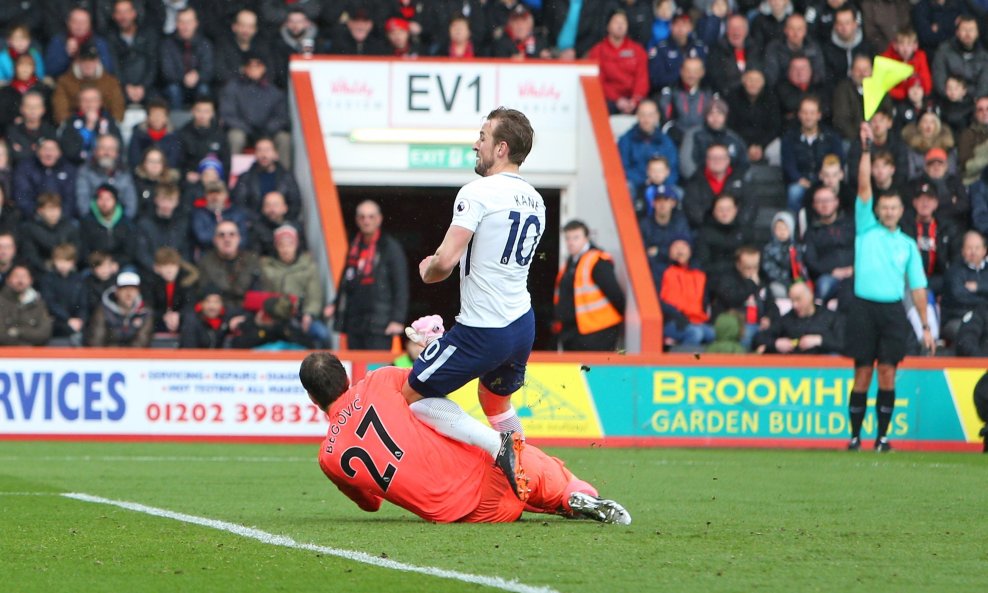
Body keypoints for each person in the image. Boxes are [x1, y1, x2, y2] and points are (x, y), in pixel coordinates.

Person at [299, 351, 631, 524]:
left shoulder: (328, 458)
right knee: (542, 473)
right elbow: (430, 385)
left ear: (313, 399)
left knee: (521, 497)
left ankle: (562, 501)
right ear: (345, 376)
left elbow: (370, 505)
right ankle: (574, 494)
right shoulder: (380, 380)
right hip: (488, 471)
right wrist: (431, 346)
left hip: (466, 516)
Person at [398, 108, 544, 496]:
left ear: (500, 148)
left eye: (482, 136)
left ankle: (498, 450)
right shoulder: (535, 200)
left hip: (484, 329)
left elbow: (445, 264)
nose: (474, 144)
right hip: (522, 324)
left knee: (409, 397)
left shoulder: (477, 192)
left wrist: (427, 268)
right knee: (494, 400)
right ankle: (525, 474)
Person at [846, 122, 935, 453]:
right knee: (862, 375)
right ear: (878, 209)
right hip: (863, 308)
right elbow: (864, 184)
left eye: (894, 208)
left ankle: (882, 439)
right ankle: (855, 437)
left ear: (901, 211)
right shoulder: (865, 226)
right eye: (884, 207)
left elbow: (918, 288)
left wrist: (925, 326)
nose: (888, 211)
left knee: (886, 374)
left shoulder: (908, 245)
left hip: (891, 311)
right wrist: (866, 149)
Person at [325, 199, 408, 350]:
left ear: (379, 219)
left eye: (371, 217)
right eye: (362, 217)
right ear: (357, 220)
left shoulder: (390, 247)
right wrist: (335, 305)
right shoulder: (354, 246)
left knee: (376, 370)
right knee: (357, 371)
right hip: (355, 321)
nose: (366, 221)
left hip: (379, 323)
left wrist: (397, 319)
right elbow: (346, 281)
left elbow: (401, 286)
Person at [553, 220, 625, 351]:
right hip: (575, 332)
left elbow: (615, 294)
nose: (571, 242)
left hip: (597, 331)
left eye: (576, 237)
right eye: (568, 238)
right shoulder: (571, 263)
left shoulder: (596, 260)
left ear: (586, 238)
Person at [219, 54, 291, 169]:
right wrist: (248, 129)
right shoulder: (232, 88)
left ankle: (284, 178)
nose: (254, 68)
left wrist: (267, 131)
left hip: (268, 133)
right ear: (244, 68)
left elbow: (282, 117)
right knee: (235, 137)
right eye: (250, 65)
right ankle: (231, 176)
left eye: (258, 65)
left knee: (284, 138)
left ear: (264, 68)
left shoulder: (275, 91)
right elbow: (228, 115)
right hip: (244, 133)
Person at [260, 225, 327, 347]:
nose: (286, 249)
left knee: (322, 334)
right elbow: (264, 294)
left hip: (299, 314)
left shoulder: (308, 266)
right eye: (282, 245)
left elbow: (314, 296)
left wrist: (309, 314)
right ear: (276, 247)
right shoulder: (266, 267)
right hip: (274, 314)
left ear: (296, 245)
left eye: (289, 244)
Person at [781, 96, 844, 213]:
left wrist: (824, 179)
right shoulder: (789, 138)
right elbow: (788, 165)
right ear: (799, 114)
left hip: (825, 180)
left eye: (812, 113)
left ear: (819, 115)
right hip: (801, 182)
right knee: (795, 192)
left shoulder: (831, 137)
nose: (808, 117)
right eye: (805, 113)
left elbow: (838, 160)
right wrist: (799, 179)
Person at [587, 9, 649, 115]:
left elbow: (642, 79)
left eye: (623, 22)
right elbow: (598, 81)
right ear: (608, 26)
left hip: (633, 101)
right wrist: (617, 100)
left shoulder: (637, 50)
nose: (620, 26)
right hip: (608, 100)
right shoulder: (597, 51)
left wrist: (635, 100)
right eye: (616, 22)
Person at [50, 43, 125, 125]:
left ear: (97, 61)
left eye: (92, 60)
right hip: (74, 128)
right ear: (78, 61)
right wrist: (73, 127)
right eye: (84, 60)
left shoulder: (110, 82)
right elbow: (60, 112)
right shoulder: (64, 82)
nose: (88, 64)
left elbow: (117, 110)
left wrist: (108, 126)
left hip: (104, 126)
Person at [617, 99, 679, 198]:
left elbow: (673, 168)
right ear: (637, 116)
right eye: (642, 115)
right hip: (636, 186)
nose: (646, 120)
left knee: (678, 193)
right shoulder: (626, 140)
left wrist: (661, 181)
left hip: (662, 185)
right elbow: (622, 167)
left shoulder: (666, 141)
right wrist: (644, 181)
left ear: (657, 117)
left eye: (650, 115)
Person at [659, 237, 714, 347]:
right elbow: (659, 300)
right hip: (672, 320)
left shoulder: (700, 274)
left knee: (713, 334)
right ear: (669, 252)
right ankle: (684, 363)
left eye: (683, 247)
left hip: (697, 320)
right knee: (695, 333)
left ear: (690, 251)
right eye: (676, 247)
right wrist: (676, 316)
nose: (680, 251)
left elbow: (705, 302)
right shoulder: (663, 271)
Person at [761, 281, 843, 354]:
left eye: (798, 299)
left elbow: (842, 343)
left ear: (810, 296)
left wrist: (819, 340)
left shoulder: (830, 317)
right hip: (795, 365)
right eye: (792, 301)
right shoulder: (787, 319)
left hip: (825, 366)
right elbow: (760, 338)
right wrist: (776, 343)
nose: (795, 305)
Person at [196, 220, 261, 312]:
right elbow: (205, 296)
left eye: (232, 234)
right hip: (219, 314)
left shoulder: (252, 260)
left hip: (248, 313)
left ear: (239, 238)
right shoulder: (205, 263)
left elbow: (257, 293)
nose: (227, 239)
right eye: (221, 235)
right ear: (215, 240)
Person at [159, 7, 214, 110]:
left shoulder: (205, 43)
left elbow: (209, 70)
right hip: (176, 84)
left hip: (198, 84)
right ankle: (177, 123)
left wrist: (198, 75)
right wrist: (184, 78)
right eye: (182, 22)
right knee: (173, 89)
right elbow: (166, 72)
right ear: (176, 24)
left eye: (189, 22)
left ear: (196, 23)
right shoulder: (167, 43)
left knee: (204, 89)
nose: (185, 26)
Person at [231, 137, 301, 218]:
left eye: (267, 150)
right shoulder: (245, 177)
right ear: (255, 154)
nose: (263, 155)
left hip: (281, 222)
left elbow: (295, 204)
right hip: (254, 225)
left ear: (276, 154)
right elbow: (239, 204)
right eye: (259, 150)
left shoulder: (287, 177)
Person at [106, 0, 158, 108]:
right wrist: (126, 86)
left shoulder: (148, 34)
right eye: (119, 13)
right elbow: (114, 66)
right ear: (114, 16)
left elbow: (153, 63)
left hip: (147, 87)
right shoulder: (110, 37)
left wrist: (143, 86)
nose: (123, 17)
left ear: (134, 13)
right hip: (121, 87)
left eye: (126, 12)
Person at [75, 134, 137, 219]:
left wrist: (121, 225)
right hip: (92, 223)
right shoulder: (85, 171)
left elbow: (131, 206)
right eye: (102, 148)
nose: (107, 153)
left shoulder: (124, 172)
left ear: (117, 153)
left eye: (111, 149)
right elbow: (83, 205)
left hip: (121, 224)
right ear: (95, 151)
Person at [85, 270, 153, 347]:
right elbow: (96, 340)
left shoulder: (144, 312)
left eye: (133, 289)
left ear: (138, 292)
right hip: (108, 356)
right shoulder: (103, 310)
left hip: (135, 357)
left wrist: (127, 356)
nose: (129, 294)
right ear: (117, 292)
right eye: (125, 289)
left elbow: (142, 341)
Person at [941, 230, 988, 339]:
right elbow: (959, 296)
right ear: (962, 251)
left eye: (977, 248)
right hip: (958, 318)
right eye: (969, 248)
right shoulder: (954, 271)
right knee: (968, 334)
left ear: (984, 251)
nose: (973, 252)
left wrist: (978, 287)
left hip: (984, 318)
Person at [17, 192, 79, 274]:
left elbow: (77, 250)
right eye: (50, 209)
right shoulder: (29, 229)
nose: (54, 213)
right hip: (40, 272)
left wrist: (66, 264)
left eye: (57, 209)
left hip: (67, 271)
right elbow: (30, 256)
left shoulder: (70, 227)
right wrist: (48, 266)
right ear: (40, 211)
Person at [37, 243, 88, 343]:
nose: (63, 264)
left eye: (67, 261)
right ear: (54, 261)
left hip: (76, 324)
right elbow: (49, 302)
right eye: (60, 260)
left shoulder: (79, 279)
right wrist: (67, 319)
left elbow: (83, 303)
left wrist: (81, 319)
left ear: (73, 262)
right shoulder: (48, 279)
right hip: (56, 325)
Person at [931, 15, 988, 99]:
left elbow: (984, 87)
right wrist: (952, 94)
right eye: (964, 30)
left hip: (974, 104)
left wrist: (964, 93)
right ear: (957, 32)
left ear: (977, 33)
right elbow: (939, 80)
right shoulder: (944, 51)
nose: (968, 34)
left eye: (971, 30)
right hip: (947, 101)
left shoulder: (984, 57)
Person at [145, 246, 199, 333]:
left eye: (173, 265)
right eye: (165, 266)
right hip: (159, 322)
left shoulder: (187, 281)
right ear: (157, 268)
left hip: (182, 321)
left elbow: (190, 305)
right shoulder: (151, 283)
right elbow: (149, 307)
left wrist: (178, 315)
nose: (170, 270)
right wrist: (164, 316)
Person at [177, 97, 230, 183]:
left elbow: (226, 163)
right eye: (199, 111)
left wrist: (218, 176)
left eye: (206, 111)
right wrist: (186, 174)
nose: (202, 115)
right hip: (191, 182)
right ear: (192, 111)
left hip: (215, 182)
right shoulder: (183, 133)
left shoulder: (220, 135)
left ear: (212, 113)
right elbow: (179, 162)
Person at [0, 264, 52, 346]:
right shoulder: (1, 302)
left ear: (31, 280)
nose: (20, 280)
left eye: (24, 276)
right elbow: (1, 335)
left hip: (33, 354)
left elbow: (44, 334)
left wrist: (17, 331)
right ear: (8, 280)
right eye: (16, 276)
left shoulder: (38, 304)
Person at [178, 284, 230, 348]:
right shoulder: (192, 322)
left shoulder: (225, 319)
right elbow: (189, 351)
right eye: (208, 301)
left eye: (216, 302)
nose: (212, 306)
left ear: (222, 304)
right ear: (201, 304)